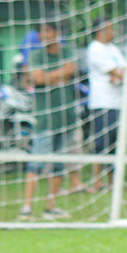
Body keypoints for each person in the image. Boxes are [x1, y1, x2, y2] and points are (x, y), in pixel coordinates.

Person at [20, 21, 79, 219]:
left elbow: (70, 71)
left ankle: (50, 206)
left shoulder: (67, 51)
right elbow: (37, 79)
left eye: (47, 30)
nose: (44, 34)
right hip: (45, 118)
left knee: (59, 163)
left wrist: (50, 77)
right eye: (41, 31)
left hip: (67, 116)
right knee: (36, 162)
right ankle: (27, 207)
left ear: (57, 32)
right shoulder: (36, 55)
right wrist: (57, 76)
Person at [87, 18, 127, 190]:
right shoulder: (95, 49)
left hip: (118, 103)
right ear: (100, 31)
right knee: (100, 143)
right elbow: (117, 72)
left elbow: (124, 70)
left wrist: (118, 75)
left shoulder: (113, 49)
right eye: (110, 29)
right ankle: (97, 182)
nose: (113, 32)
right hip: (102, 102)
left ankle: (114, 183)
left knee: (114, 143)